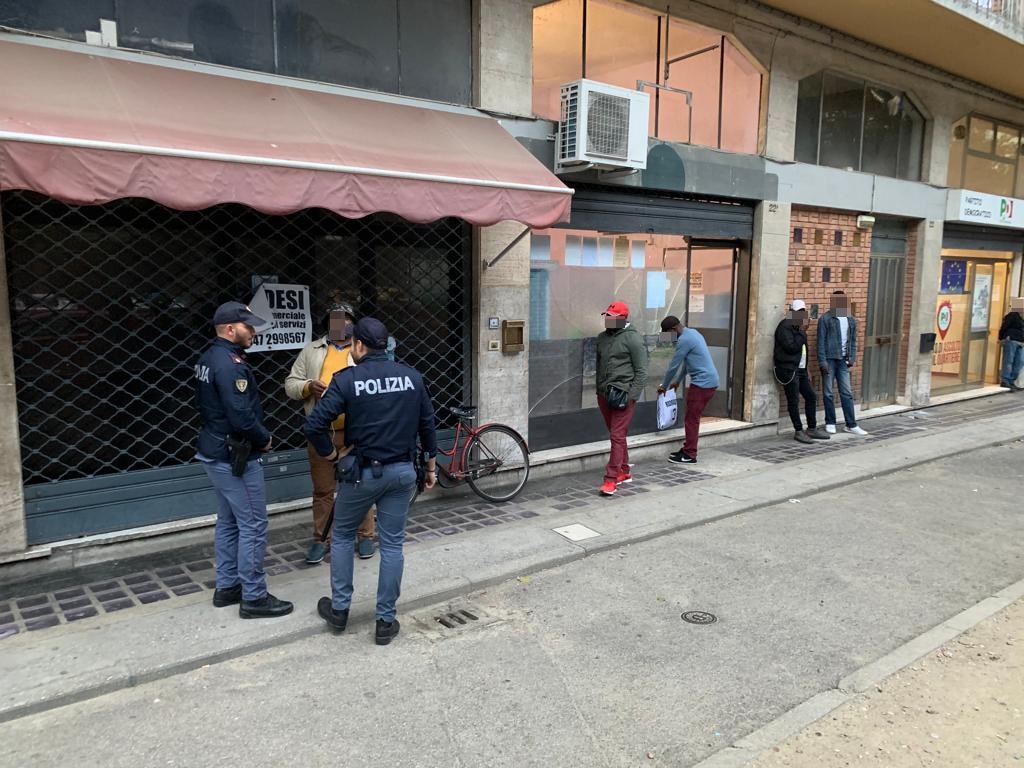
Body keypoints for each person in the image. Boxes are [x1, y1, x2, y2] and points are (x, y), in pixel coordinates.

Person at [302, 317, 437, 646]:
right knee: (392, 545)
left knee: (342, 535)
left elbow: (314, 425)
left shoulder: (346, 380)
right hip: (402, 473)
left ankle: (339, 610)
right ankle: (385, 621)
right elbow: (428, 425)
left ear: (359, 345)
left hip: (361, 475)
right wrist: (431, 468)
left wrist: (332, 456)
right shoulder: (412, 377)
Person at [194, 301, 294, 619]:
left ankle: (227, 587)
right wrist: (263, 439)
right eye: (248, 327)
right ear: (229, 329)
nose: (253, 332)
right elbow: (241, 415)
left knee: (228, 522)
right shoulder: (231, 365)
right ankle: (254, 596)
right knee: (253, 524)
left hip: (214, 451)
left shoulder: (209, 358)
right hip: (235, 455)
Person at [285, 303, 376, 564]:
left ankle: (366, 535)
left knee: (361, 484)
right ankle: (321, 538)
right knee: (323, 489)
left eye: (346, 320)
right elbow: (290, 384)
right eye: (335, 320)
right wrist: (307, 387)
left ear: (353, 324)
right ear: (327, 323)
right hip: (321, 432)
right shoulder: (311, 350)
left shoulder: (362, 349)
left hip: (356, 431)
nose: (341, 324)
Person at [595, 300, 648, 497]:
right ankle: (624, 470)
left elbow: (642, 371)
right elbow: (599, 365)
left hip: (623, 394)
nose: (608, 320)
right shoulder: (602, 338)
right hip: (604, 394)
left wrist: (632, 396)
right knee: (617, 435)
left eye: (613, 317)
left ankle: (611, 479)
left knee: (616, 436)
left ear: (623, 319)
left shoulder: (633, 339)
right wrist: (598, 390)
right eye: (607, 316)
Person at [657, 315, 720, 463]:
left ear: (673, 329)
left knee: (692, 419)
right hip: (708, 381)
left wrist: (664, 386)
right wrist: (678, 381)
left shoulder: (684, 340)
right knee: (692, 417)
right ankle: (687, 448)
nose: (668, 338)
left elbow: (673, 366)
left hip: (702, 383)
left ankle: (690, 454)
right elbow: (687, 362)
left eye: (667, 334)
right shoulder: (693, 333)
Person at [774, 300, 830, 444]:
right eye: (798, 312)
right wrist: (803, 331)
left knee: (811, 396)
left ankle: (811, 428)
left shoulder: (798, 327)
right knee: (793, 400)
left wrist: (807, 369)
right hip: (789, 369)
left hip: (801, 370)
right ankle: (798, 430)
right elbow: (791, 347)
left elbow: (803, 350)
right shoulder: (785, 326)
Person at [816, 290, 868, 436]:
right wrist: (822, 361)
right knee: (828, 393)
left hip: (843, 360)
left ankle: (851, 424)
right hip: (829, 359)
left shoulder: (850, 319)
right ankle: (830, 422)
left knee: (846, 392)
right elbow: (820, 341)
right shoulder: (825, 319)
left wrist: (852, 357)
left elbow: (853, 340)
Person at [997, 297, 1024, 390]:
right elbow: (1004, 327)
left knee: (1019, 362)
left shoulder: (1022, 317)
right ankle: (1005, 380)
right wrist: (1001, 338)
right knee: (1009, 360)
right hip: (1011, 340)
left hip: (1021, 342)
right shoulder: (1012, 315)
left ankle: (1012, 380)